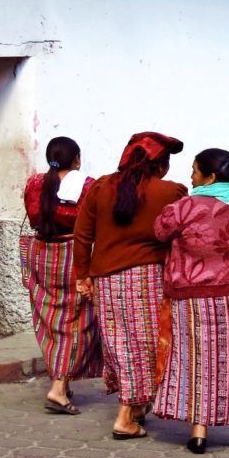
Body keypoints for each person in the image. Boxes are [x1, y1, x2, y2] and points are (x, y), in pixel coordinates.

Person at [153, 149, 229, 454]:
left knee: (198, 360)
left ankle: (199, 432)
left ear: (211, 176)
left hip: (196, 295)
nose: (190, 177)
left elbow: (159, 231)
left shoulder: (184, 207)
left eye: (194, 171)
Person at [73, 131, 187, 440]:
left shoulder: (99, 188)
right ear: (160, 165)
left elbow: (83, 235)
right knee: (147, 344)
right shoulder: (171, 192)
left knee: (120, 344)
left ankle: (136, 408)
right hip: (148, 277)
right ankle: (126, 414)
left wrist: (83, 274)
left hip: (107, 279)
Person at [22, 136, 102, 415]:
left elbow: (33, 215)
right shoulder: (89, 185)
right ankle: (58, 387)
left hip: (42, 254)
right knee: (77, 321)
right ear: (76, 159)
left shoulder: (35, 183)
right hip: (72, 254)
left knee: (51, 318)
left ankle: (61, 379)